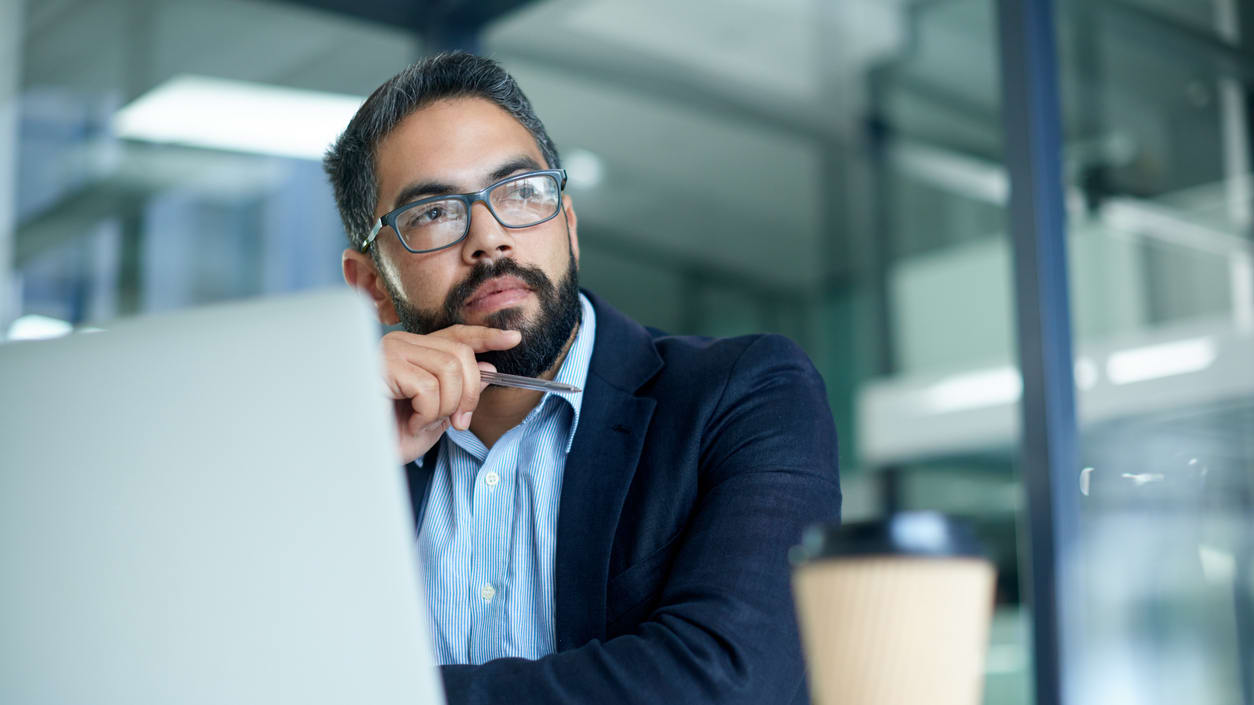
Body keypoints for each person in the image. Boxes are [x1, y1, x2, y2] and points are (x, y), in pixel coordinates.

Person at [323, 52, 841, 705]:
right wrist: (341, 452)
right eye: (434, 213)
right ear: (373, 287)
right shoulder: (343, 450)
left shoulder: (745, 394)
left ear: (567, 222)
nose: (490, 237)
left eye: (521, 192)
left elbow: (724, 683)